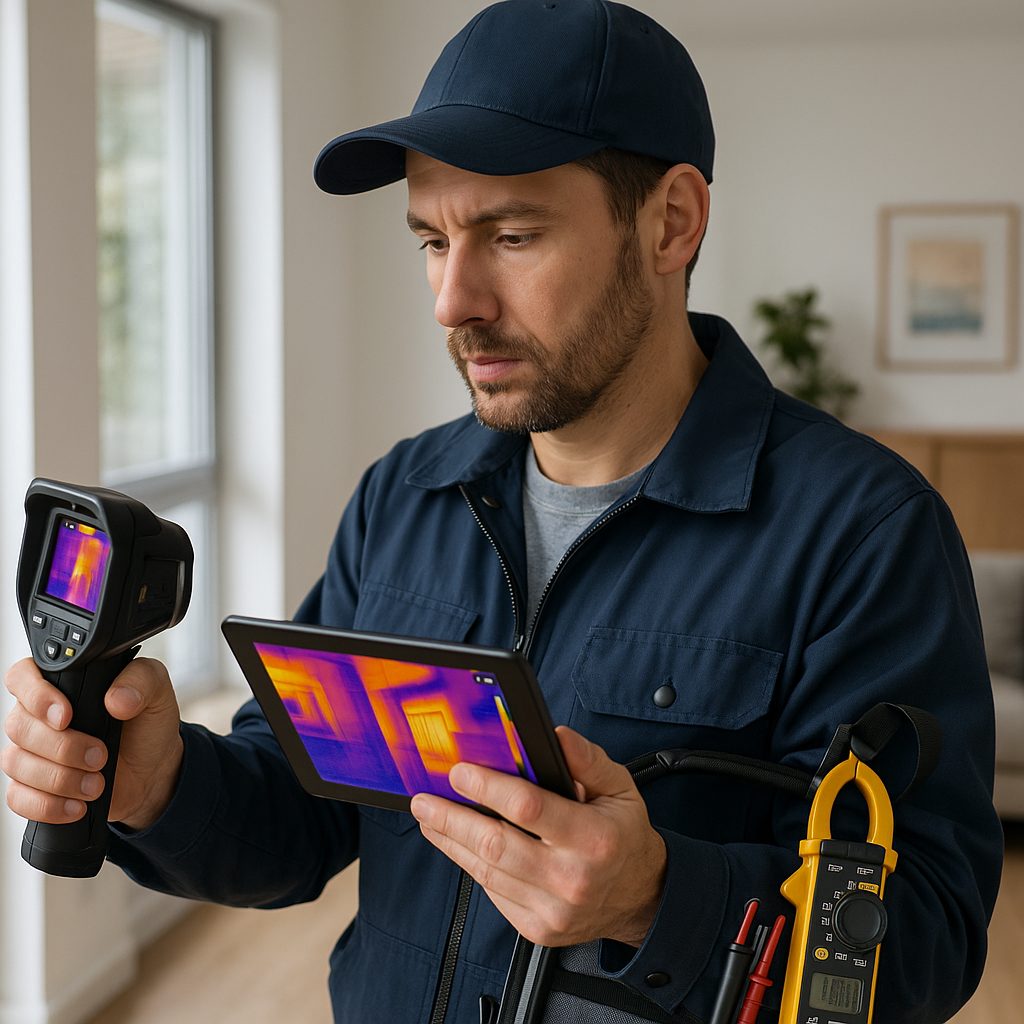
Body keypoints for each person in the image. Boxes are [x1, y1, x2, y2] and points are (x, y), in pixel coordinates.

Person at [1, 2, 1002, 1022]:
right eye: (431, 240)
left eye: (510, 235)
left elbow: (924, 930)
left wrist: (656, 897)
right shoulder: (403, 496)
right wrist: (159, 783)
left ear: (671, 221)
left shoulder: (863, 534)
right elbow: (300, 817)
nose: (452, 299)